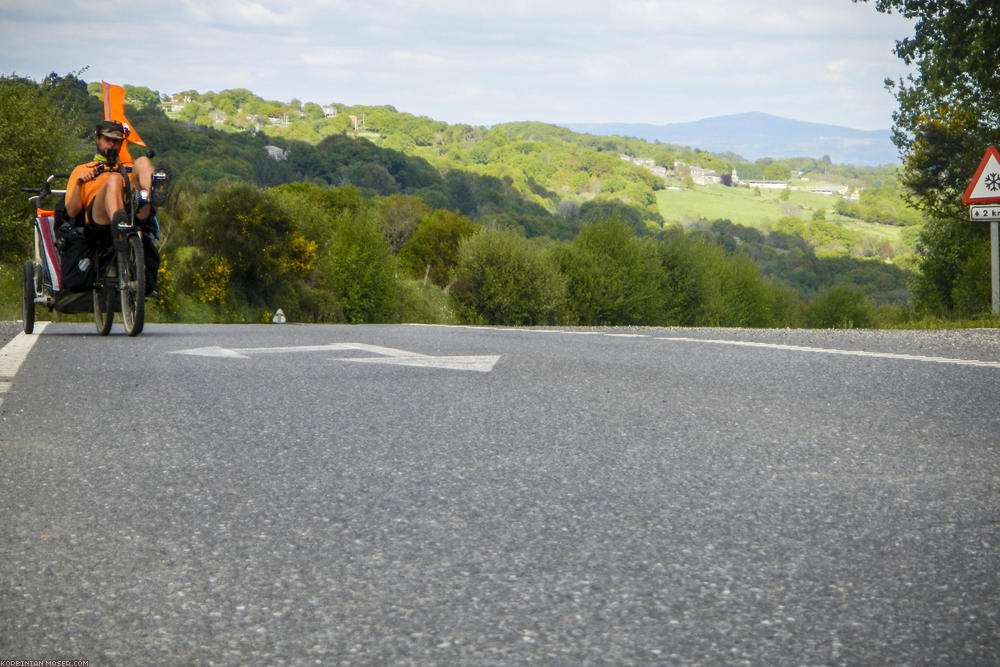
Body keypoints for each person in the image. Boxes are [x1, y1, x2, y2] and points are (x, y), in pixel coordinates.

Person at [63, 120, 165, 293]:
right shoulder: (82, 169)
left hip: (133, 212)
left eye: (116, 141)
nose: (112, 144)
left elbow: (135, 168)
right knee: (114, 179)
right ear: (97, 138)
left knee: (142, 162)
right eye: (107, 139)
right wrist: (80, 184)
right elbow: (71, 211)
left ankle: (153, 191)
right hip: (99, 221)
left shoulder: (127, 167)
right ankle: (119, 224)